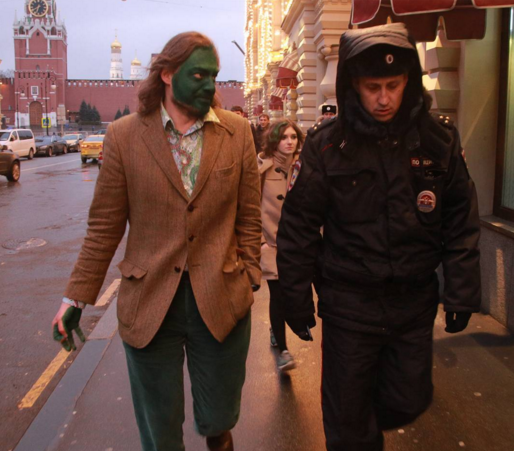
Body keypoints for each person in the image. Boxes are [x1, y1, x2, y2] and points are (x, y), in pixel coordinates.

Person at [52, 31, 262, 451]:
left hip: (221, 299)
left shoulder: (237, 132)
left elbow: (249, 216)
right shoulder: (124, 136)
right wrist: (76, 297)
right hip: (150, 305)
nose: (210, 85)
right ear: (167, 74)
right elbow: (104, 226)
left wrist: (250, 273)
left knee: (219, 418)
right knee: (159, 432)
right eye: (199, 75)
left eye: (214, 76)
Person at [276, 23, 481, 451]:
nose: (384, 99)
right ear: (354, 85)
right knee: (349, 423)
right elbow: (298, 228)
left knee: (407, 401)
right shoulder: (327, 146)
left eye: (393, 85)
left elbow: (460, 219)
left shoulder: (437, 138)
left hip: (413, 301)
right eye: (373, 87)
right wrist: (295, 299)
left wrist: (462, 292)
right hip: (348, 304)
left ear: (409, 81)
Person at [257, 119, 304, 372]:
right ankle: (284, 351)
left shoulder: (303, 167)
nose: (289, 142)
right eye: (284, 137)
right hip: (271, 243)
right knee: (278, 294)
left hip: (296, 244)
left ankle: (277, 331)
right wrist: (260, 242)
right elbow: (250, 207)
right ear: (274, 140)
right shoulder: (262, 168)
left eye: (293, 137)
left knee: (292, 293)